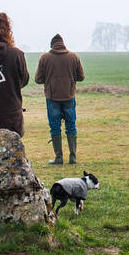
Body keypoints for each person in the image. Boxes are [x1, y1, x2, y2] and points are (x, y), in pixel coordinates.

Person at [35, 33, 85, 165]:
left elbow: (38, 79)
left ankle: (58, 157)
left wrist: (50, 79)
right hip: (69, 96)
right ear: (63, 44)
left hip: (52, 97)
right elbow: (81, 77)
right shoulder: (74, 57)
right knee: (71, 125)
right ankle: (73, 156)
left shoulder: (45, 58)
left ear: (52, 45)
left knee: (55, 126)